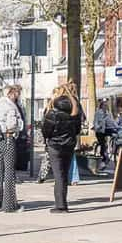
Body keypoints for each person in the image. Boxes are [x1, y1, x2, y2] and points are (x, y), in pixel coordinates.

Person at [42, 83, 82, 213]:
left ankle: (60, 205)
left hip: (55, 146)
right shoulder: (75, 112)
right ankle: (63, 202)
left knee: (58, 175)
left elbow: (46, 131)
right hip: (69, 145)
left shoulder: (52, 113)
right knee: (64, 175)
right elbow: (77, 130)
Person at [0, 85, 25, 213]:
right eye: (18, 93)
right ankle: (9, 206)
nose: (18, 96)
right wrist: (18, 128)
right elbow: (12, 124)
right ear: (12, 93)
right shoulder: (10, 107)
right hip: (8, 139)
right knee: (9, 173)